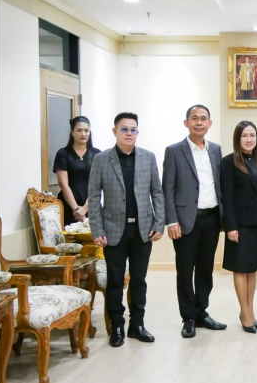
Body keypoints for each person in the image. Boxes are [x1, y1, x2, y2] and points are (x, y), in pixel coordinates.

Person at [88, 112, 165, 347]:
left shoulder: (148, 158)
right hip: (113, 231)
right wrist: (96, 229)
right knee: (115, 281)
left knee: (139, 280)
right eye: (124, 129)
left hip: (143, 230)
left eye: (133, 130)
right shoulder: (101, 159)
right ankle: (117, 327)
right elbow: (93, 197)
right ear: (115, 132)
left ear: (137, 133)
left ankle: (137, 325)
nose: (129, 133)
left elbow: (157, 192)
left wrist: (159, 223)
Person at [163, 105, 227, 339]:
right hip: (184, 221)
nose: (199, 122)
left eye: (203, 119)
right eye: (194, 118)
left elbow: (219, 184)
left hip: (212, 219)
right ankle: (188, 317)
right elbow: (167, 188)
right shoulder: (174, 151)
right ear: (186, 123)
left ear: (210, 123)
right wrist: (171, 220)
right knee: (185, 270)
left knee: (206, 269)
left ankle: (202, 312)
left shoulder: (216, 150)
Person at [220, 121, 257, 334]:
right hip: (239, 225)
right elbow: (227, 197)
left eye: (252, 135)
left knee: (252, 269)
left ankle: (249, 311)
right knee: (240, 269)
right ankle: (244, 312)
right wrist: (230, 227)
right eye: (244, 136)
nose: (249, 139)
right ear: (237, 139)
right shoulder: (229, 162)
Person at [54, 116, 101, 225]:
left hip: (91, 205)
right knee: (70, 235)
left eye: (86, 130)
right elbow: (63, 184)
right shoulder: (63, 154)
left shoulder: (97, 154)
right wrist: (76, 210)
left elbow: (98, 184)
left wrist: (85, 207)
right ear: (72, 132)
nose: (83, 134)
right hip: (69, 206)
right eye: (79, 130)